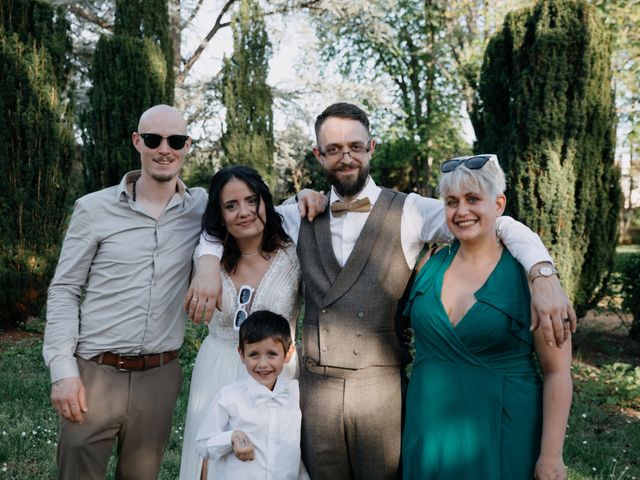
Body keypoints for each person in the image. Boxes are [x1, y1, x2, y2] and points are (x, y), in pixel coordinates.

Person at [189, 102, 576, 480]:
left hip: (382, 393)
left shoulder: (413, 211)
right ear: (318, 155)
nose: (346, 157)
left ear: (371, 148)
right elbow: (231, 223)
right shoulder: (296, 214)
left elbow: (494, 223)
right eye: (334, 149)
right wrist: (207, 260)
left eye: (356, 146)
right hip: (316, 391)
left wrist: (543, 273)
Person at [43, 104, 206, 479]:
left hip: (160, 375)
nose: (164, 149)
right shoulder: (93, 209)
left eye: (175, 140)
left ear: (187, 146)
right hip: (95, 374)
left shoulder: (201, 208)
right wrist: (63, 370)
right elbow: (65, 289)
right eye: (153, 139)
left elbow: (254, 213)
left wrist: (306, 198)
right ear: (138, 142)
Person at [402, 154, 572, 479]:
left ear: (498, 204)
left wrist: (551, 456)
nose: (461, 211)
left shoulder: (531, 277)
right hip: (429, 433)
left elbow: (558, 371)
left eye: (473, 199)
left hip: (503, 434)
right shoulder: (428, 264)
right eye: (452, 202)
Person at [179, 165, 305, 480]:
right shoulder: (206, 258)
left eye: (252, 201)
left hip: (278, 370)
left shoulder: (293, 252)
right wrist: (206, 263)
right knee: (212, 462)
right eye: (231, 206)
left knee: (274, 460)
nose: (244, 212)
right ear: (219, 216)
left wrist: (307, 194)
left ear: (265, 202)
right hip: (218, 368)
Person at [194, 310, 309, 480]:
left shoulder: (296, 393)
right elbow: (203, 444)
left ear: (288, 353)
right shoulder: (229, 397)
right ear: (241, 354)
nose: (263, 364)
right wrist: (231, 437)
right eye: (254, 354)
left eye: (272, 354)